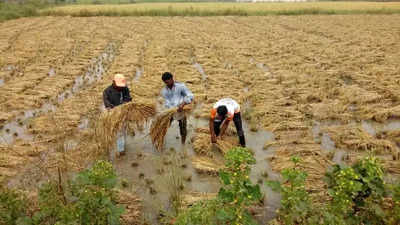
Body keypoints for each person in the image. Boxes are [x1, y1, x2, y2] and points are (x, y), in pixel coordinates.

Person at [103, 74, 132, 156]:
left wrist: (125, 103)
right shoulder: (107, 91)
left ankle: (120, 149)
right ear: (113, 82)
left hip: (123, 113)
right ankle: (118, 149)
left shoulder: (125, 88)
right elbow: (106, 102)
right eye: (118, 85)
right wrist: (111, 108)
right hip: (113, 114)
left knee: (121, 131)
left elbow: (128, 98)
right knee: (115, 131)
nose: (120, 87)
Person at [161, 72, 194, 144]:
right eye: (166, 82)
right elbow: (167, 103)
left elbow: (191, 96)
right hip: (170, 112)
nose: (168, 83)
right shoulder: (164, 91)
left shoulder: (180, 86)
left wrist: (183, 104)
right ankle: (161, 140)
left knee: (183, 130)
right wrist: (171, 109)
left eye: (169, 81)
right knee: (163, 126)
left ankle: (183, 144)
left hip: (181, 110)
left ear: (172, 79)